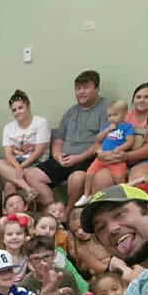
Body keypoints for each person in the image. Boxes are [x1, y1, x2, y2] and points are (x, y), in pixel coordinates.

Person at [36, 70, 108, 205]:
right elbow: (58, 139)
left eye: (86, 87)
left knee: (76, 178)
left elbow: (103, 142)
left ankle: (68, 210)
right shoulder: (70, 112)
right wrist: (57, 155)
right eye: (78, 88)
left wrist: (78, 158)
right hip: (64, 159)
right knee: (31, 175)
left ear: (97, 89)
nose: (81, 92)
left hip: (87, 160)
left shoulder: (106, 109)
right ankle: (53, 210)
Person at [88, 82, 148, 190]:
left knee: (138, 176)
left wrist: (128, 156)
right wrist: (101, 153)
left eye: (147, 97)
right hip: (118, 157)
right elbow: (101, 139)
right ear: (133, 100)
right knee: (101, 178)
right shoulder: (123, 115)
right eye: (138, 97)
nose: (142, 100)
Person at [0, 90, 53, 203]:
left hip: (37, 163)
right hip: (16, 164)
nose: (17, 112)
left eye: (20, 108)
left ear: (28, 106)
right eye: (14, 110)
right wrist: (17, 166)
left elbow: (39, 152)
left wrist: (22, 166)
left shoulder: (41, 123)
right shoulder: (8, 127)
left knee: (10, 184)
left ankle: (29, 196)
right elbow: (8, 153)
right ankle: (28, 189)